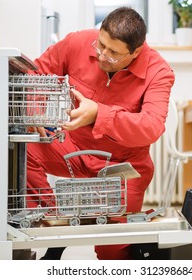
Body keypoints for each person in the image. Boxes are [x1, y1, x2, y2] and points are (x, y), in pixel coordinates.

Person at [26, 6, 175, 260]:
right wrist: (35, 109)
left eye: (114, 53)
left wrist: (99, 114)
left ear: (136, 51)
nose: (103, 55)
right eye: (101, 45)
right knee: (24, 149)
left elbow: (151, 127)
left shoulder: (159, 72)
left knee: (113, 249)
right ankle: (56, 219)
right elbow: (35, 73)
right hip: (73, 149)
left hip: (123, 166)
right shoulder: (78, 42)